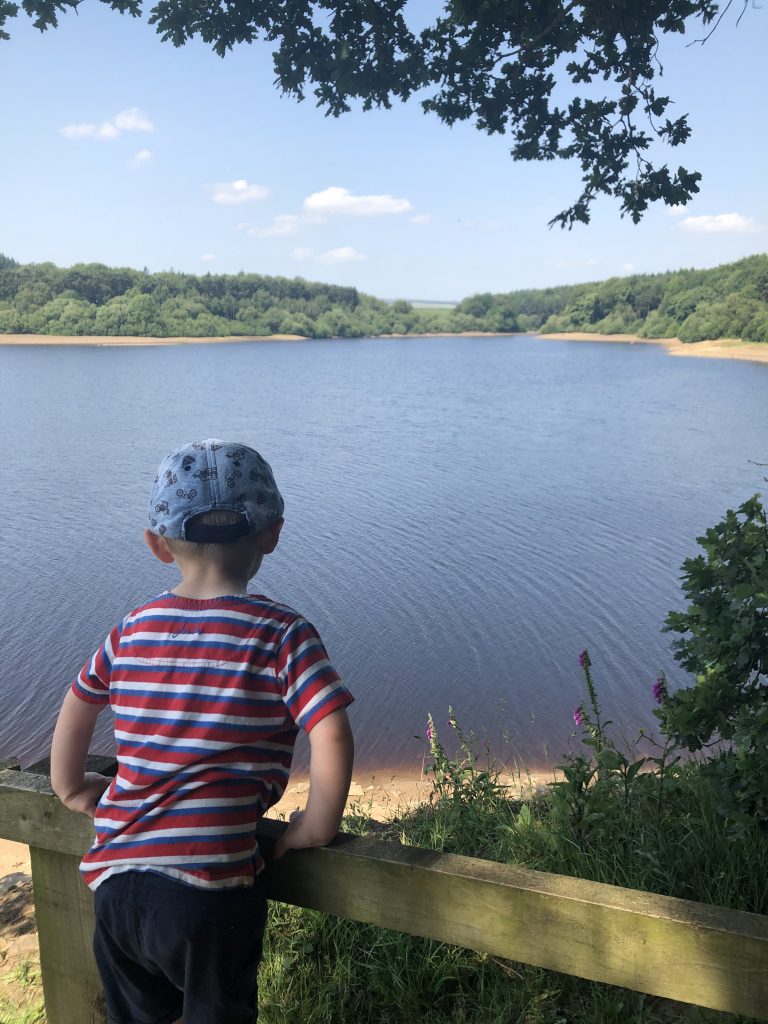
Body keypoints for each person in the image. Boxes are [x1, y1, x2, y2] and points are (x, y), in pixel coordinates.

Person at [50, 438, 354, 1024]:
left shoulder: (132, 628)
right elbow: (331, 731)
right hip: (207, 886)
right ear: (272, 534)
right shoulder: (282, 633)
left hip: (116, 881)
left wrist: (69, 786)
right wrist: (317, 825)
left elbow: (78, 699)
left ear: (158, 545)